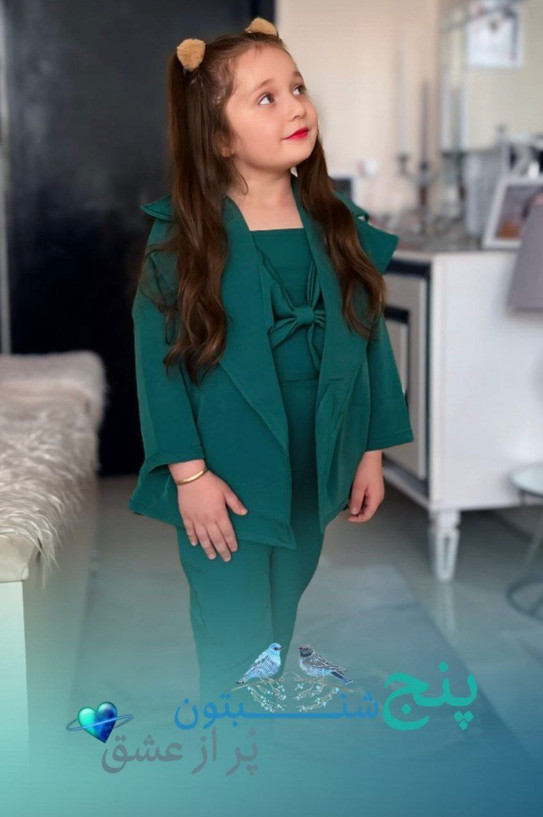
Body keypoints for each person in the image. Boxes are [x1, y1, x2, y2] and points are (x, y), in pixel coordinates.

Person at [129, 17, 414, 723]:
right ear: (220, 138)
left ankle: (258, 724)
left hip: (313, 460)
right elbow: (158, 363)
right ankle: (233, 743)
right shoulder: (184, 236)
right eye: (266, 97)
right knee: (232, 625)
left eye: (298, 88)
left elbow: (368, 342)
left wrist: (369, 452)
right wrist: (189, 476)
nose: (295, 106)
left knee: (280, 613)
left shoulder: (336, 222)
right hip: (224, 472)